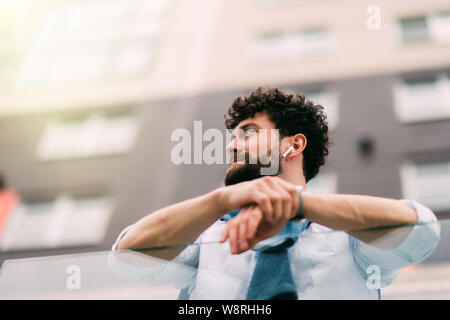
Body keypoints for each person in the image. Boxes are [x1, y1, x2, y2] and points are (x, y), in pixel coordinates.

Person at [109, 87, 440, 299]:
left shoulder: (348, 237)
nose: (232, 145)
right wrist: (220, 200)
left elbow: (421, 231)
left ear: (293, 144)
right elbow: (128, 258)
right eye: (233, 136)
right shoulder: (209, 237)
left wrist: (294, 204)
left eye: (248, 133)